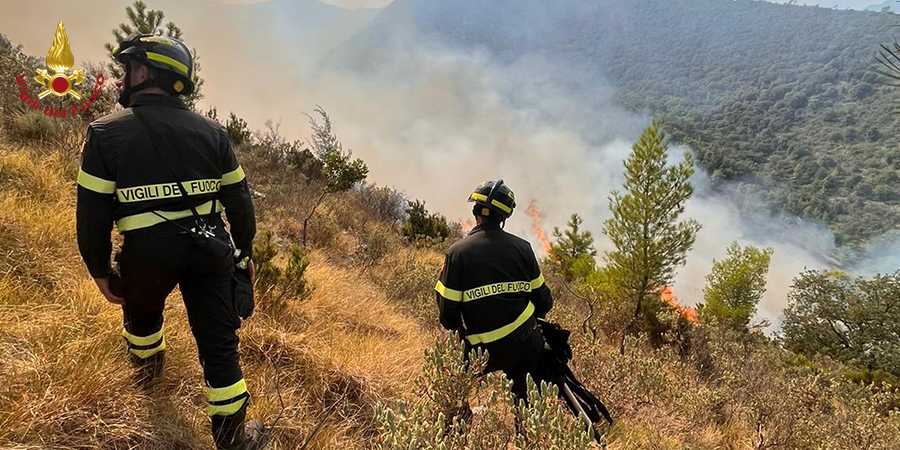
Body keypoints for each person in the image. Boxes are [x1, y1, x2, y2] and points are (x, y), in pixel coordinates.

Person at [75, 33, 266, 450]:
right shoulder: (214, 133)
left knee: (142, 323)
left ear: (143, 72)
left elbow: (91, 217)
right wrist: (243, 255)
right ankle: (233, 440)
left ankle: (148, 383)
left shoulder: (105, 134)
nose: (121, 78)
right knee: (220, 350)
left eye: (126, 69)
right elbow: (240, 203)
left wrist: (100, 269)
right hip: (210, 250)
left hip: (146, 256)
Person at [435, 179, 553, 401]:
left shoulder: (457, 253)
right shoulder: (523, 249)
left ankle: (459, 426)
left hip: (479, 350)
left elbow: (447, 313)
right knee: (527, 400)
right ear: (505, 217)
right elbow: (543, 301)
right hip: (524, 345)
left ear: (475, 211)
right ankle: (527, 428)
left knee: (453, 393)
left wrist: (465, 334)